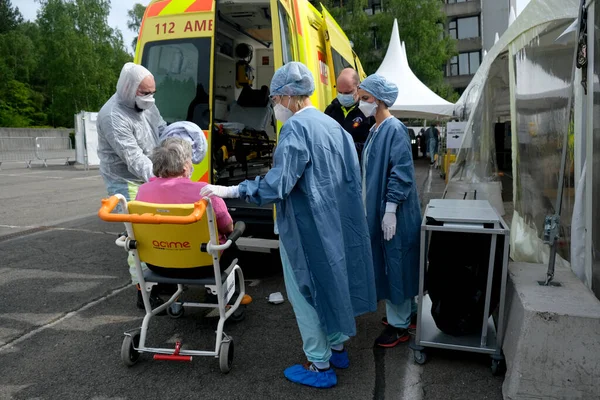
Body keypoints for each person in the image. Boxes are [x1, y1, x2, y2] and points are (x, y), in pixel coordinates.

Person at [200, 62, 377, 388]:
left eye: (276, 100)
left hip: (305, 228)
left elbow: (278, 185)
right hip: (333, 225)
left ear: (288, 97)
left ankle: (319, 365)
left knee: (305, 296)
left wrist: (234, 190)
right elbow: (352, 180)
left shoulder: (295, 129)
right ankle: (337, 347)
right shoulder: (333, 125)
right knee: (330, 284)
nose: (275, 107)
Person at [357, 74, 421, 348]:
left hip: (396, 213)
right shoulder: (376, 131)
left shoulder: (394, 129)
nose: (361, 103)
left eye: (365, 98)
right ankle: (406, 313)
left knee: (397, 264)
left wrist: (391, 208)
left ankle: (400, 326)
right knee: (392, 263)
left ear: (380, 100)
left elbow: (402, 172)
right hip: (381, 210)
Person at [97, 62, 167, 308]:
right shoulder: (113, 116)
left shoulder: (145, 104)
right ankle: (144, 289)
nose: (151, 98)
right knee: (137, 237)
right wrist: (166, 180)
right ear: (129, 90)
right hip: (125, 181)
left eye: (152, 92)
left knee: (160, 228)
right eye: (146, 93)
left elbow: (160, 128)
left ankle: (160, 277)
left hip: (151, 174)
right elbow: (134, 158)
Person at [136, 132, 236, 279]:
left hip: (158, 264)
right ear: (185, 166)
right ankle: (217, 295)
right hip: (205, 265)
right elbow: (227, 227)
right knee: (232, 246)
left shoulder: (142, 192)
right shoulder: (206, 192)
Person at [324, 68, 375, 161]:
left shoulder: (368, 112)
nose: (343, 96)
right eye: (339, 92)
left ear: (358, 88)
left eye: (347, 92)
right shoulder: (331, 111)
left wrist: (344, 147)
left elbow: (372, 146)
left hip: (359, 167)